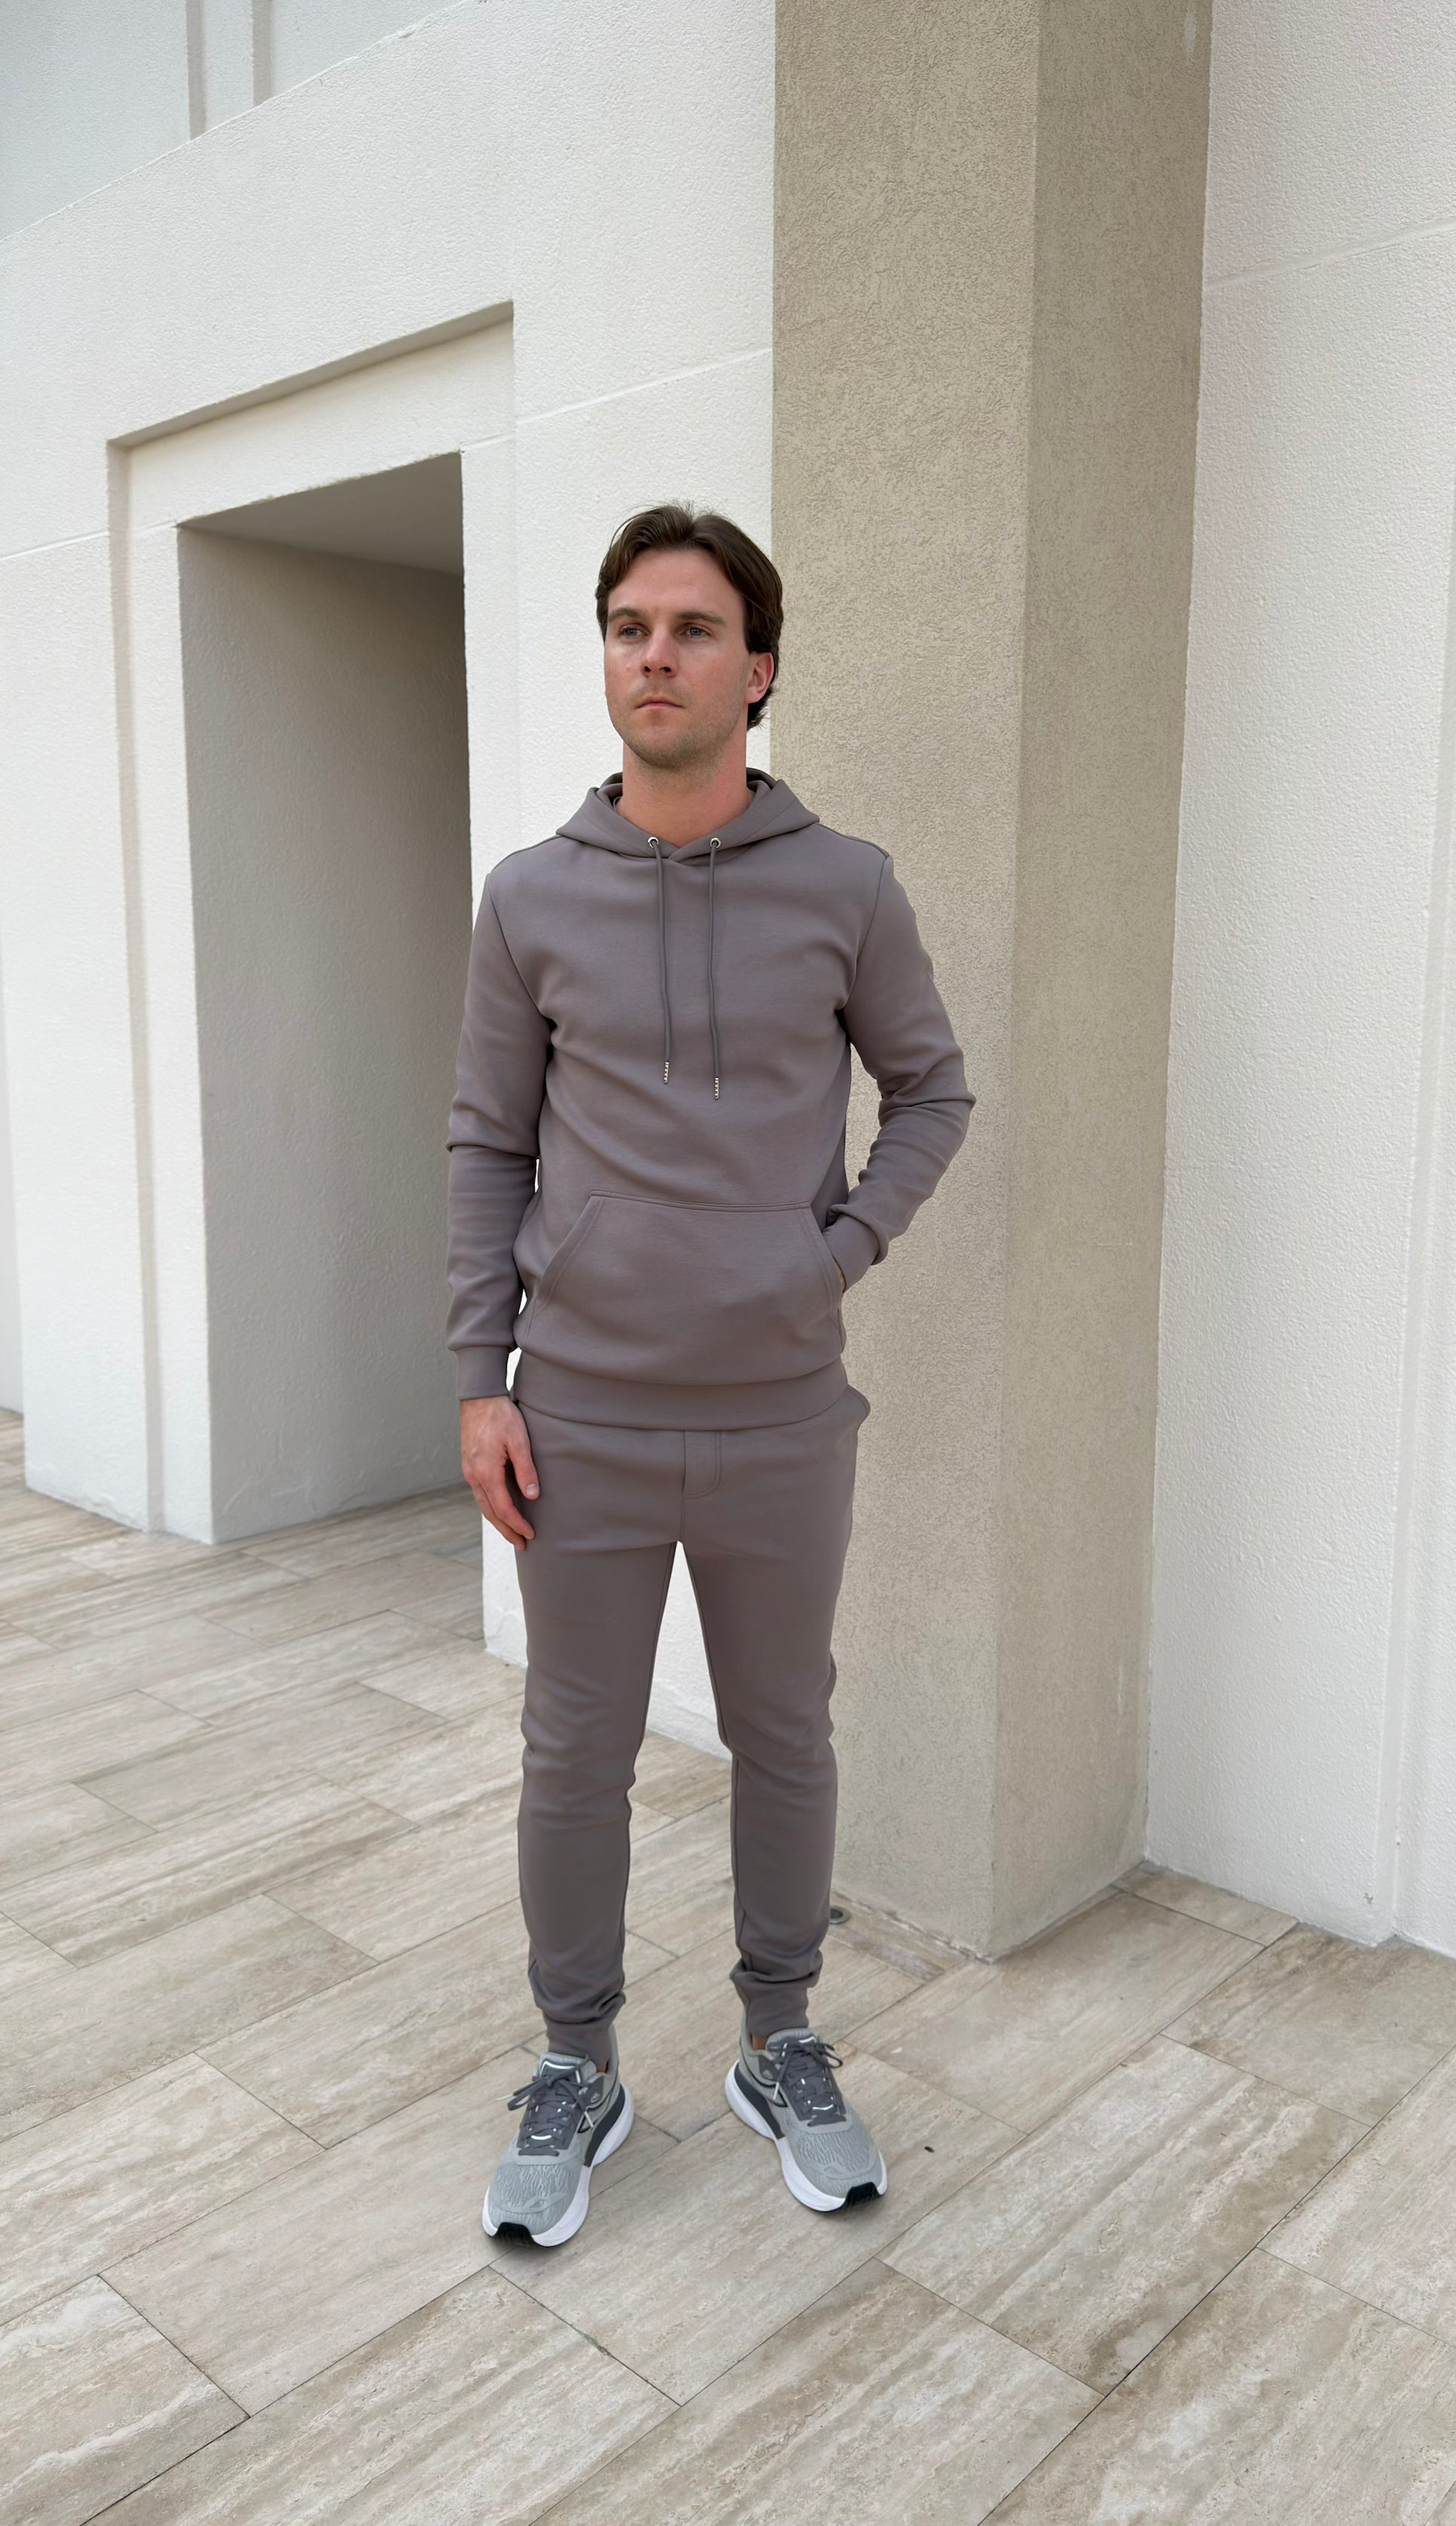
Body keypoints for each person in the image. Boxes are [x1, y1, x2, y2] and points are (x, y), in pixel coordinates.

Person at [447, 502, 974, 2248]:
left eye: (689, 627)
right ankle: (576, 2059)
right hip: (580, 1411)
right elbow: (486, 1142)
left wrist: (829, 1255)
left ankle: (779, 2036)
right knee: (572, 1752)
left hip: (780, 1413)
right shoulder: (530, 898)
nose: (653, 655)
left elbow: (933, 1091)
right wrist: (480, 1374)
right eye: (627, 625)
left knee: (784, 1734)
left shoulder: (847, 886)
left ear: (757, 668)